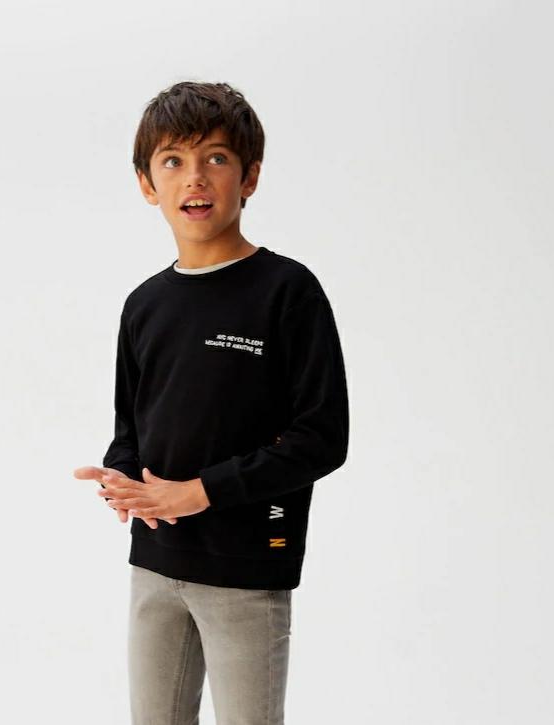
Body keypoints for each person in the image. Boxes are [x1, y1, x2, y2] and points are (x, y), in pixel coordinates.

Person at [74, 80, 349, 725]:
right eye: (173, 160)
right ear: (147, 184)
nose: (194, 177)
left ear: (249, 176)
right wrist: (122, 478)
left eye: (216, 158)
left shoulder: (288, 292)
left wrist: (200, 492)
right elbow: (131, 426)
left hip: (246, 566)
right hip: (155, 561)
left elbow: (321, 438)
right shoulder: (144, 304)